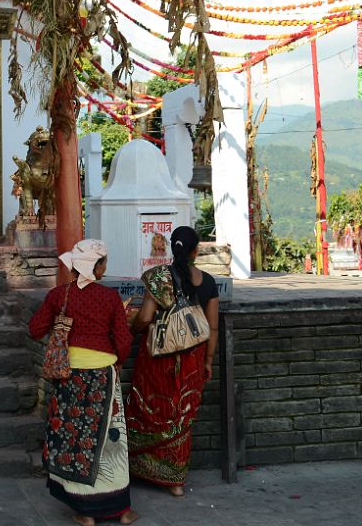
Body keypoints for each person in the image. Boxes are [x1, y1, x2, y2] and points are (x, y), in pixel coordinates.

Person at [28, 239, 138, 526]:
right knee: (110, 441)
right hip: (103, 374)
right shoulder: (110, 298)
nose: (106, 266)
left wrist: (61, 325)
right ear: (96, 266)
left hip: (69, 376)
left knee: (75, 439)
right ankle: (122, 510)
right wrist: (118, 361)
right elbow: (123, 341)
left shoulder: (57, 296)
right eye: (104, 262)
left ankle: (86, 512)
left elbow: (35, 328)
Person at [126, 225, 219, 495]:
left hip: (159, 359)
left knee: (152, 410)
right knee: (182, 416)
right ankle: (175, 481)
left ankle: (141, 468)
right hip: (193, 359)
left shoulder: (158, 277)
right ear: (196, 250)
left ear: (171, 247)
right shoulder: (209, 283)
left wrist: (131, 331)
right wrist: (208, 361)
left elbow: (144, 317)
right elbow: (212, 328)